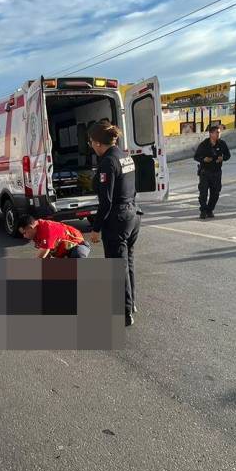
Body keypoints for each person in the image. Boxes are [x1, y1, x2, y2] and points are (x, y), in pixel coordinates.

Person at [87, 122, 140, 326]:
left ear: (98, 143)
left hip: (117, 219)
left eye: (91, 142)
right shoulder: (125, 156)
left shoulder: (108, 162)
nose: (91, 146)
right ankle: (131, 303)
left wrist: (96, 228)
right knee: (127, 264)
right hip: (132, 215)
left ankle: (124, 313)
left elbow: (106, 201)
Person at [193, 124, 231, 219]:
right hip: (205, 172)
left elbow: (228, 155)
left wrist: (222, 158)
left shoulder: (222, 144)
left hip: (216, 172)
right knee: (203, 193)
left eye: (219, 133)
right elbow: (196, 156)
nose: (218, 134)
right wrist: (204, 159)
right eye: (217, 133)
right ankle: (203, 211)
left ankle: (210, 210)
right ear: (210, 134)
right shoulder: (204, 144)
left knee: (215, 193)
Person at [17, 215, 90, 259]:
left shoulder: (47, 229)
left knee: (78, 255)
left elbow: (42, 254)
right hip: (64, 252)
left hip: (78, 246)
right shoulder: (36, 234)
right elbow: (46, 255)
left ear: (31, 227)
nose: (24, 236)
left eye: (24, 233)